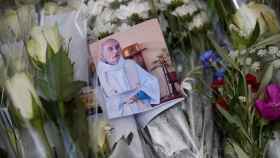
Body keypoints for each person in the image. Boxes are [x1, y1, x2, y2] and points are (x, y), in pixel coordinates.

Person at [97, 38, 160, 119]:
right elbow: (103, 101)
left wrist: (138, 95)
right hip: (121, 116)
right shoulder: (101, 74)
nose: (115, 51)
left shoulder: (130, 64)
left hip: (141, 108)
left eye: (117, 47)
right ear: (102, 54)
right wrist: (120, 101)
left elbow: (151, 82)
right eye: (110, 49)